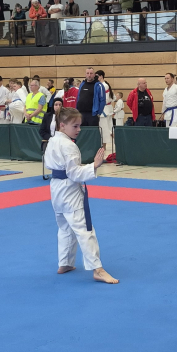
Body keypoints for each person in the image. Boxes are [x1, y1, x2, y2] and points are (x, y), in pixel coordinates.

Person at [43, 107, 117, 284]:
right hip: (70, 192)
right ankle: (97, 269)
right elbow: (74, 173)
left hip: (56, 189)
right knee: (85, 230)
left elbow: (51, 165)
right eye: (75, 126)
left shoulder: (52, 141)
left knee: (65, 227)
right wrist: (94, 165)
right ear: (62, 125)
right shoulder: (69, 146)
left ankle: (65, 263)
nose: (79, 129)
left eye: (79, 126)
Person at [96, 70, 114, 149]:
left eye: (97, 76)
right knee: (108, 129)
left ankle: (104, 147)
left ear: (101, 76)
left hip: (104, 109)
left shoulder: (103, 85)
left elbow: (105, 99)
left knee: (104, 129)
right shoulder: (104, 85)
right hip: (106, 109)